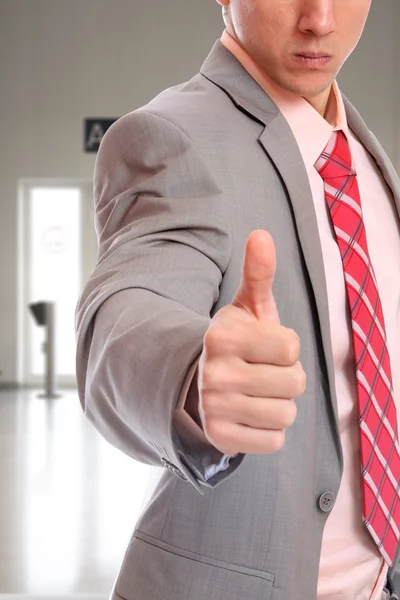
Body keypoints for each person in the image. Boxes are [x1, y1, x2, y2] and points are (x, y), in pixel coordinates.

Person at [75, 0, 400, 598]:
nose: (319, 19)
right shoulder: (171, 135)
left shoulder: (362, 152)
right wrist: (192, 376)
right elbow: (122, 313)